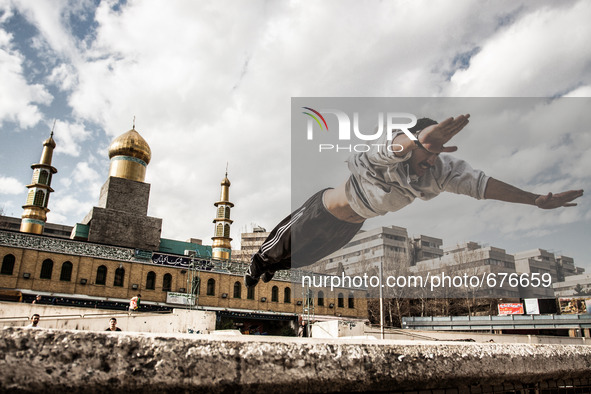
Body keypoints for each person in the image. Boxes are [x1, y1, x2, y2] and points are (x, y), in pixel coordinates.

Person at [245, 114, 584, 288]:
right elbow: (381, 152)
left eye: (437, 155)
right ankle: (260, 260)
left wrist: (535, 199)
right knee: (278, 248)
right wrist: (412, 140)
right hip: (322, 210)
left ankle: (273, 266)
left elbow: (483, 185)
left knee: (303, 259)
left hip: (350, 226)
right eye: (427, 152)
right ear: (413, 145)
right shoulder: (386, 155)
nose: (432, 162)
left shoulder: (441, 170)